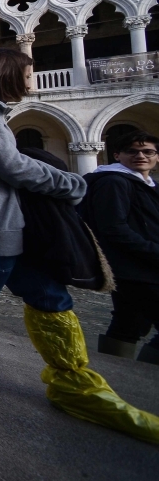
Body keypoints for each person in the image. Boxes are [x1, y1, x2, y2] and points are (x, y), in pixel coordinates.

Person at [0, 48, 158, 442]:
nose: (34, 79)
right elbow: (12, 167)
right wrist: (71, 183)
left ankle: (74, 383)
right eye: (30, 72)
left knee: (49, 297)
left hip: (12, 227)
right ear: (8, 75)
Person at [82, 131, 159, 365]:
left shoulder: (145, 184)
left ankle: (117, 377)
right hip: (134, 267)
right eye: (132, 151)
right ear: (117, 155)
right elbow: (113, 228)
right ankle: (139, 379)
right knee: (129, 322)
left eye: (147, 152)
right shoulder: (113, 182)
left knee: (129, 323)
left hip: (138, 266)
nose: (140, 156)